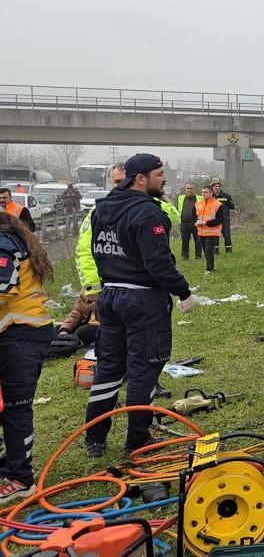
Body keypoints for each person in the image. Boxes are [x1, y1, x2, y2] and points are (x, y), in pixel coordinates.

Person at [83, 154, 195, 459]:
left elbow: (99, 251)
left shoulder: (102, 208)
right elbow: (157, 262)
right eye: (160, 174)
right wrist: (183, 292)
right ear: (141, 178)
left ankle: (94, 438)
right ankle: (138, 440)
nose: (165, 179)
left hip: (110, 296)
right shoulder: (147, 213)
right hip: (142, 300)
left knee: (108, 369)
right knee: (143, 371)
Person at [0, 211, 56, 502]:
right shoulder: (14, 237)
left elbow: (2, 288)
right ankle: (8, 465)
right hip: (20, 332)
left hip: (21, 333)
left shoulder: (3, 243)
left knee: (15, 408)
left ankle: (21, 478)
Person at [76, 164, 126, 299]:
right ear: (111, 183)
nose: (122, 186)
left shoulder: (148, 207)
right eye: (117, 182)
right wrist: (92, 287)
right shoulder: (97, 212)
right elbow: (84, 250)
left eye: (126, 181)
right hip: (109, 288)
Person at [195, 186, 224, 273]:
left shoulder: (218, 204)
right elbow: (194, 215)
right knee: (205, 250)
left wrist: (205, 223)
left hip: (212, 232)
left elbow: (220, 220)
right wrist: (196, 221)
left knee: (208, 250)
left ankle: (209, 268)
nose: (203, 194)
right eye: (202, 192)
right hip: (201, 232)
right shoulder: (198, 204)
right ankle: (212, 265)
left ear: (211, 193)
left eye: (206, 192)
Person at [175, 183, 202, 261]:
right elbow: (177, 209)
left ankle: (198, 255)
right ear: (185, 189)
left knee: (198, 240)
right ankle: (185, 256)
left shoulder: (200, 198)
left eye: (191, 189)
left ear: (194, 189)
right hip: (184, 223)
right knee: (184, 241)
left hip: (196, 223)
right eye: (188, 188)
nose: (189, 190)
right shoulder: (180, 198)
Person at [210, 180, 235, 252]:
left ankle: (229, 250)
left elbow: (232, 207)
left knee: (227, 235)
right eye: (215, 186)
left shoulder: (226, 196)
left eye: (218, 186)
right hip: (214, 219)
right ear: (212, 187)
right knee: (215, 235)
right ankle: (215, 251)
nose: (217, 188)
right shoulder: (210, 197)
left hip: (224, 219)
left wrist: (229, 201)